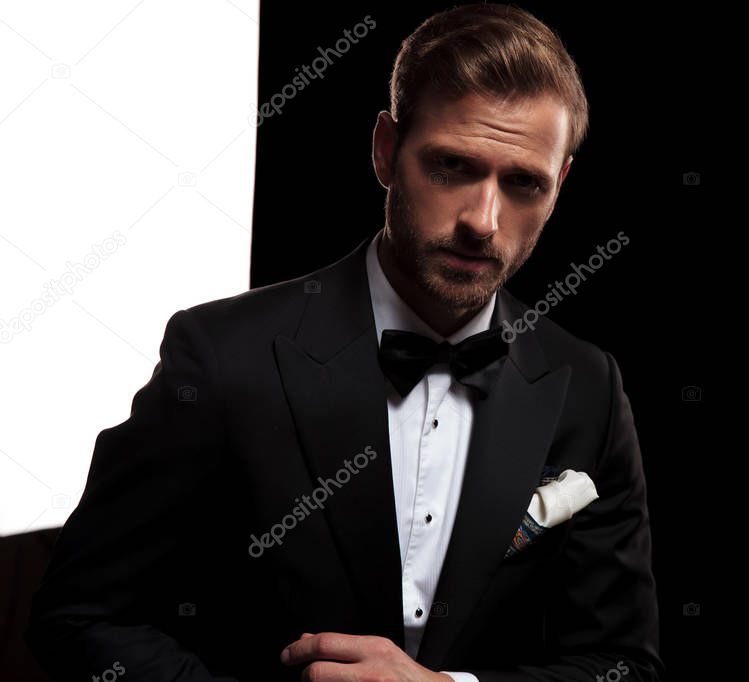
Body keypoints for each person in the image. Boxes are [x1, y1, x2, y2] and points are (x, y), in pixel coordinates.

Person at [26, 4, 663, 680]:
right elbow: (80, 617)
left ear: (560, 184)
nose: (482, 220)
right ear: (386, 150)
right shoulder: (219, 356)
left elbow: (621, 664)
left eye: (522, 183)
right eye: (451, 166)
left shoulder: (587, 387)